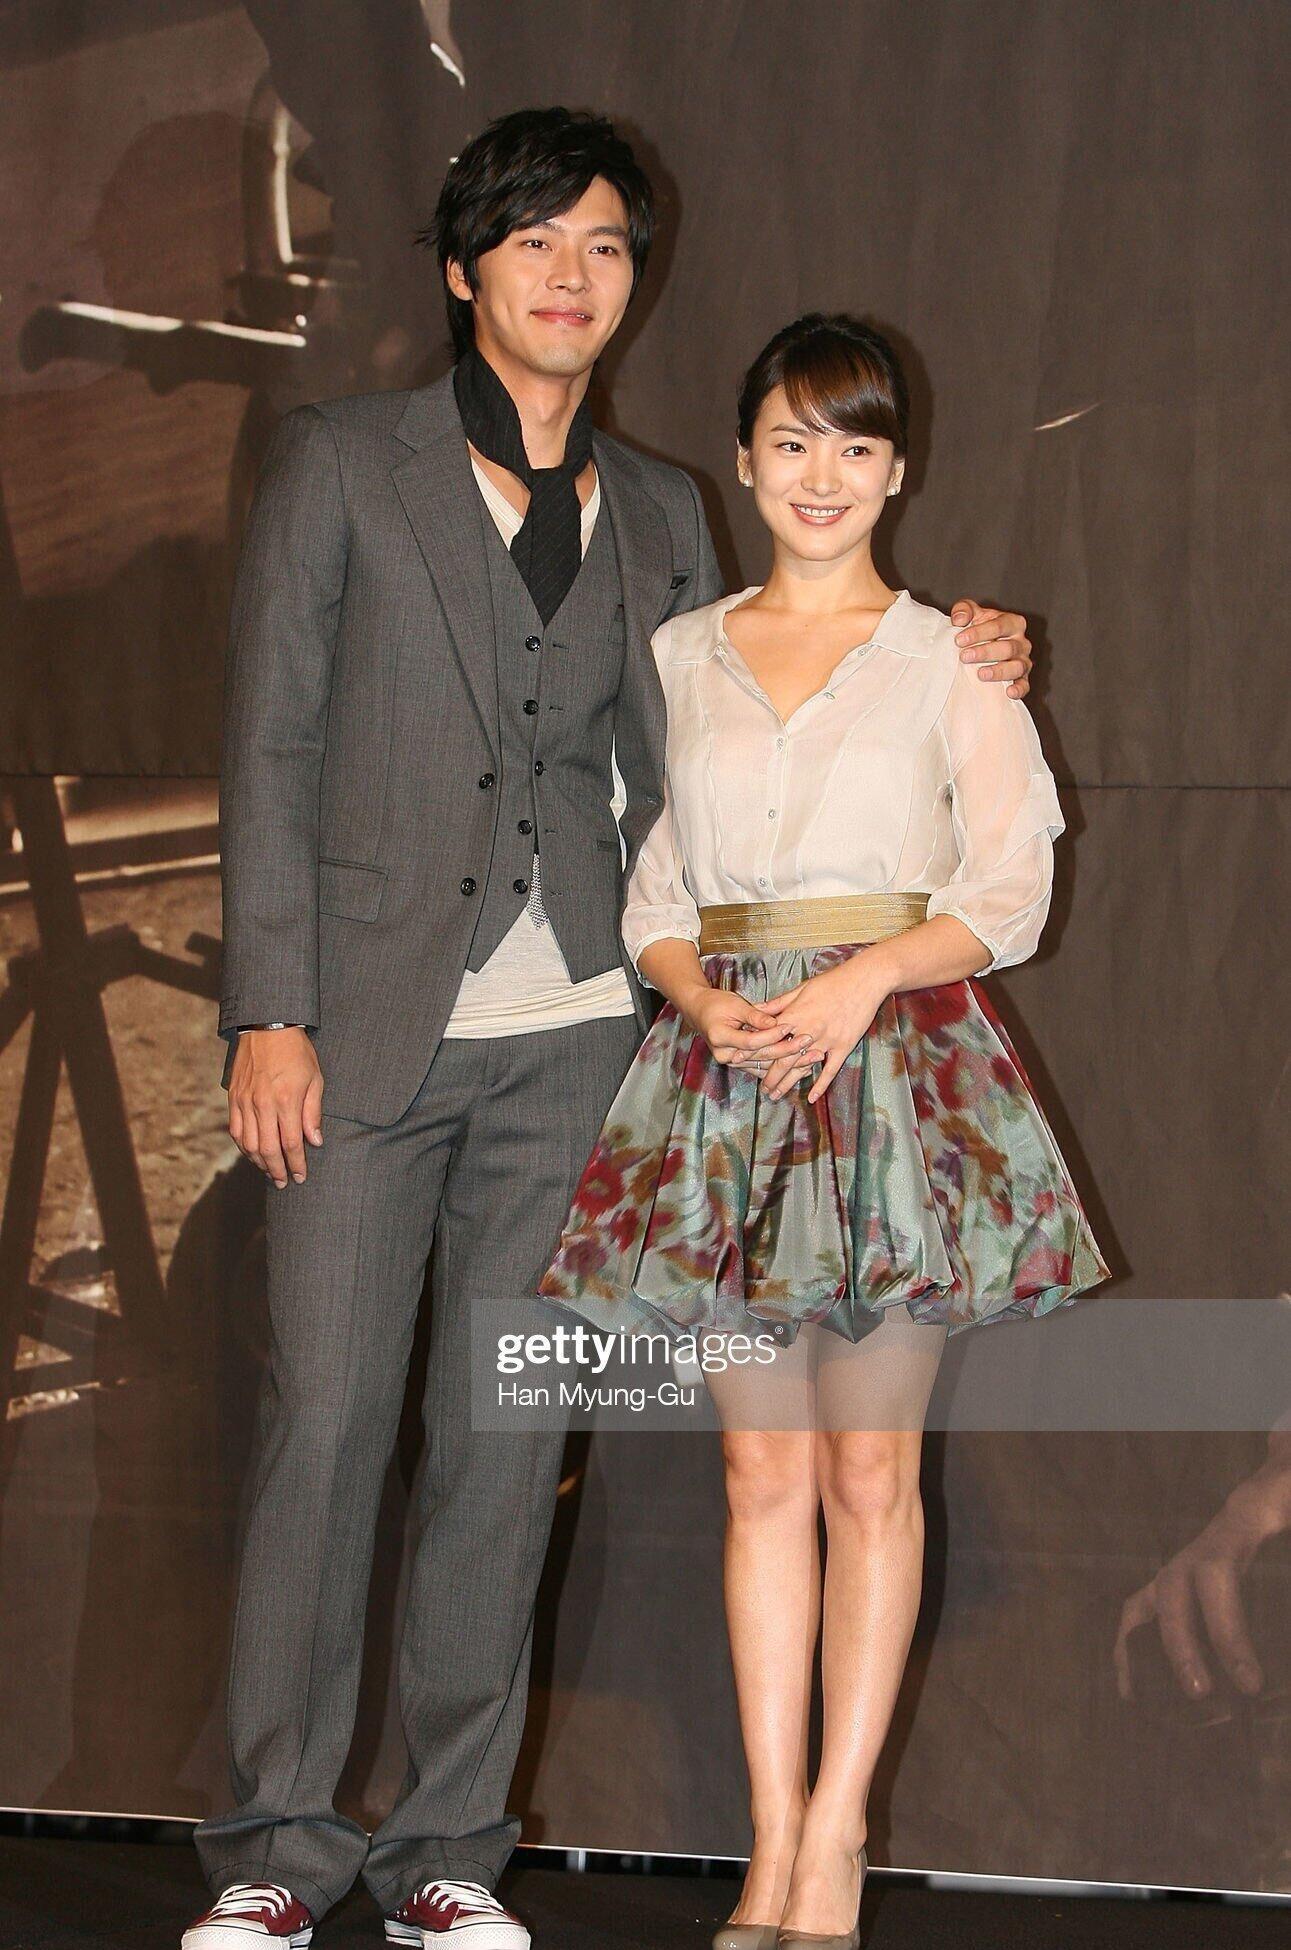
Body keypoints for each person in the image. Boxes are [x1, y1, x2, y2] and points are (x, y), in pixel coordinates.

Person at [189, 105, 1036, 1950]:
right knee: (324, 1425)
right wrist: (269, 1008)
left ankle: (446, 1851)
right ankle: (273, 1848)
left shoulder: (662, 512)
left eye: (605, 247)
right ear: (463, 269)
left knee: (506, 1447)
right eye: (537, 243)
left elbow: (718, 768)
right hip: (358, 1040)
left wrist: (978, 650)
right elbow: (269, 741)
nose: (573, 277)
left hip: (582, 1044)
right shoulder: (341, 462)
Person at [539, 313, 1109, 1950]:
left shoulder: (952, 657)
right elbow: (655, 885)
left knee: (871, 1467)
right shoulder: (681, 654)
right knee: (757, 1469)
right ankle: (772, 1834)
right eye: (792, 441)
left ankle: (842, 1829)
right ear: (744, 459)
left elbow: (1010, 888)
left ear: (898, 471)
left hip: (893, 1082)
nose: (822, 474)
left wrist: (865, 977)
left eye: (855, 446)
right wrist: (696, 999)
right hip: (728, 1083)